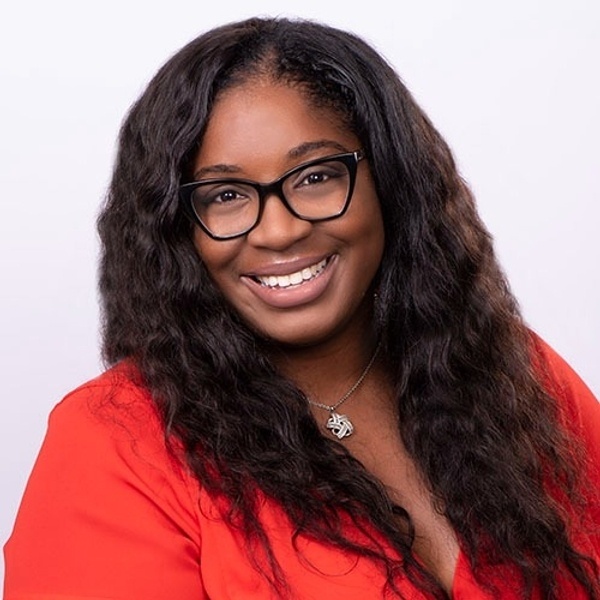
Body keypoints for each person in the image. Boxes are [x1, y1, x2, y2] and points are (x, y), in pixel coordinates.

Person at [4, 16, 599, 600]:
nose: (280, 230)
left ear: (390, 183)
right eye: (226, 195)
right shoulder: (116, 445)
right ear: (176, 228)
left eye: (315, 177)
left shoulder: (513, 374)